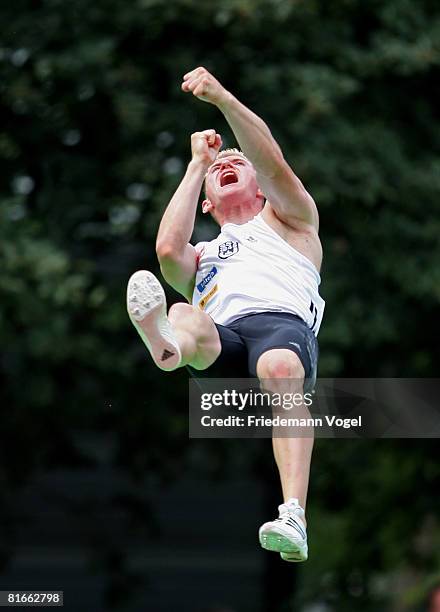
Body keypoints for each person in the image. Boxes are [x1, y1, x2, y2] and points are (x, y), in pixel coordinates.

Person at [127, 67, 325, 562]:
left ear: (261, 193)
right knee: (183, 312)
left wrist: (221, 100)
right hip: (224, 341)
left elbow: (270, 159)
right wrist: (198, 165)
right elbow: (169, 250)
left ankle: (294, 516)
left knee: (279, 368)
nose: (229, 162)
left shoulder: (292, 221)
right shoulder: (205, 254)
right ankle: (169, 345)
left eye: (240, 162)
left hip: (282, 329)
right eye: (222, 168)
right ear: (208, 205)